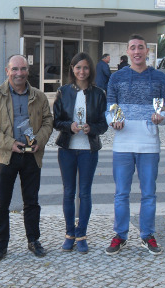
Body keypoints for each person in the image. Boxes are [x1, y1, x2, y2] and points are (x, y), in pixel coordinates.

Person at [0, 55, 53, 261]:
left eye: (23, 69)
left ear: (28, 71)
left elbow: (48, 121)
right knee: (1, 204)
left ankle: (33, 240)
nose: (19, 73)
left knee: (32, 202)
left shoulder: (39, 96)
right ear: (7, 70)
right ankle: (0, 245)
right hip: (6, 156)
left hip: (32, 155)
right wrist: (8, 143)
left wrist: (40, 139)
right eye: (15, 69)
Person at [104, 34, 165, 256]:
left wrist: (162, 117)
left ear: (147, 51)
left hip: (149, 144)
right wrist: (113, 120)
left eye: (140, 47)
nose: (137, 51)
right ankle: (120, 236)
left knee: (149, 194)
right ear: (128, 51)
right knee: (121, 194)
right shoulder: (117, 78)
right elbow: (111, 107)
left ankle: (147, 235)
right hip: (123, 143)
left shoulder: (160, 78)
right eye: (132, 48)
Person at [53, 52, 108, 254]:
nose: (81, 71)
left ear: (90, 70)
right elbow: (56, 121)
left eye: (85, 67)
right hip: (67, 149)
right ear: (72, 69)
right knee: (69, 193)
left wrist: (91, 128)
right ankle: (69, 234)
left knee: (84, 193)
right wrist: (70, 126)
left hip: (88, 150)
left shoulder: (99, 93)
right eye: (78, 67)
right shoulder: (63, 92)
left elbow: (104, 125)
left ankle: (82, 234)